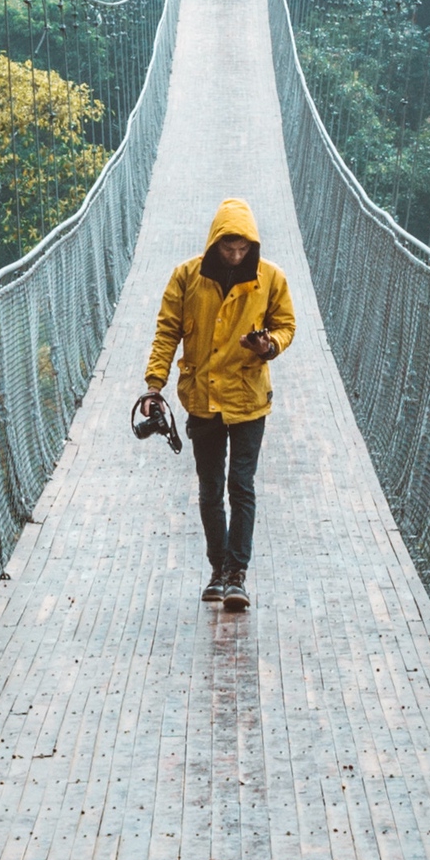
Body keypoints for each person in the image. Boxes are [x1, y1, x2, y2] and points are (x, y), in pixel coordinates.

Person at [143, 198, 296, 610]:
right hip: (203, 398)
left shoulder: (271, 278)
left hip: (247, 397)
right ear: (215, 243)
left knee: (240, 485)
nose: (234, 255)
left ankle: (236, 575)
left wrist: (268, 345)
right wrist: (154, 385)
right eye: (228, 247)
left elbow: (286, 326)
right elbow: (166, 332)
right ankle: (218, 569)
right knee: (210, 489)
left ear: (252, 246)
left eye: (242, 248)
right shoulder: (187, 276)